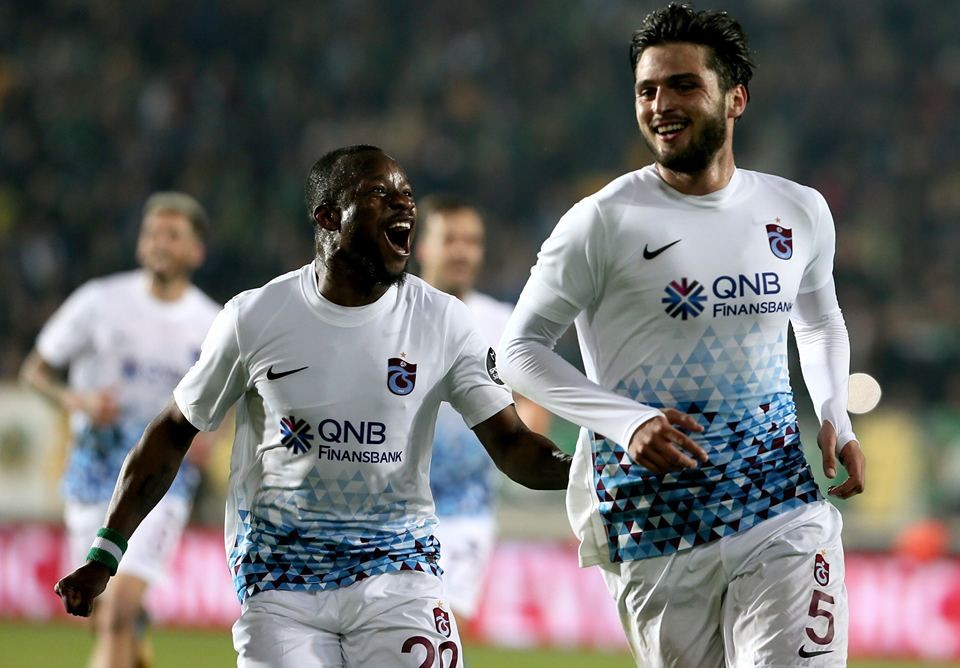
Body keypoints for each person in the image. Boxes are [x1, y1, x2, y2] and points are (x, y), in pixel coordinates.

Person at [54, 145, 571, 667]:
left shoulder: (443, 321)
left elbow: (513, 444)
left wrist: (590, 469)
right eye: (380, 193)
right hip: (280, 582)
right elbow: (171, 432)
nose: (404, 206)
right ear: (328, 216)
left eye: (407, 195)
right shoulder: (255, 318)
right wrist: (106, 551)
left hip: (400, 574)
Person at [496, 5, 867, 667]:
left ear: (735, 99)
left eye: (683, 85)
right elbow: (519, 351)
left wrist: (835, 412)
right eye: (647, 90)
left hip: (778, 499)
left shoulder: (797, 209)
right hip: (656, 520)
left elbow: (817, 320)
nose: (661, 104)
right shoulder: (601, 223)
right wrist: (627, 421)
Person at [20, 192, 220, 668]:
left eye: (173, 235)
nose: (159, 243)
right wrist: (78, 401)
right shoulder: (99, 301)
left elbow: (229, 394)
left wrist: (212, 435)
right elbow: (35, 371)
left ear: (196, 251)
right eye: (152, 234)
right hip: (94, 472)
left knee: (118, 610)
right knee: (99, 610)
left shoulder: (212, 322)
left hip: (162, 481)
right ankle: (134, 635)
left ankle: (130, 622)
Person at [414, 195, 552, 626]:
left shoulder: (503, 324)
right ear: (423, 247)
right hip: (392, 502)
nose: (462, 251)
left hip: (465, 505)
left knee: (439, 625)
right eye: (450, 239)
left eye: (472, 241)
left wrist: (510, 440)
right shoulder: (392, 315)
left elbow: (532, 404)